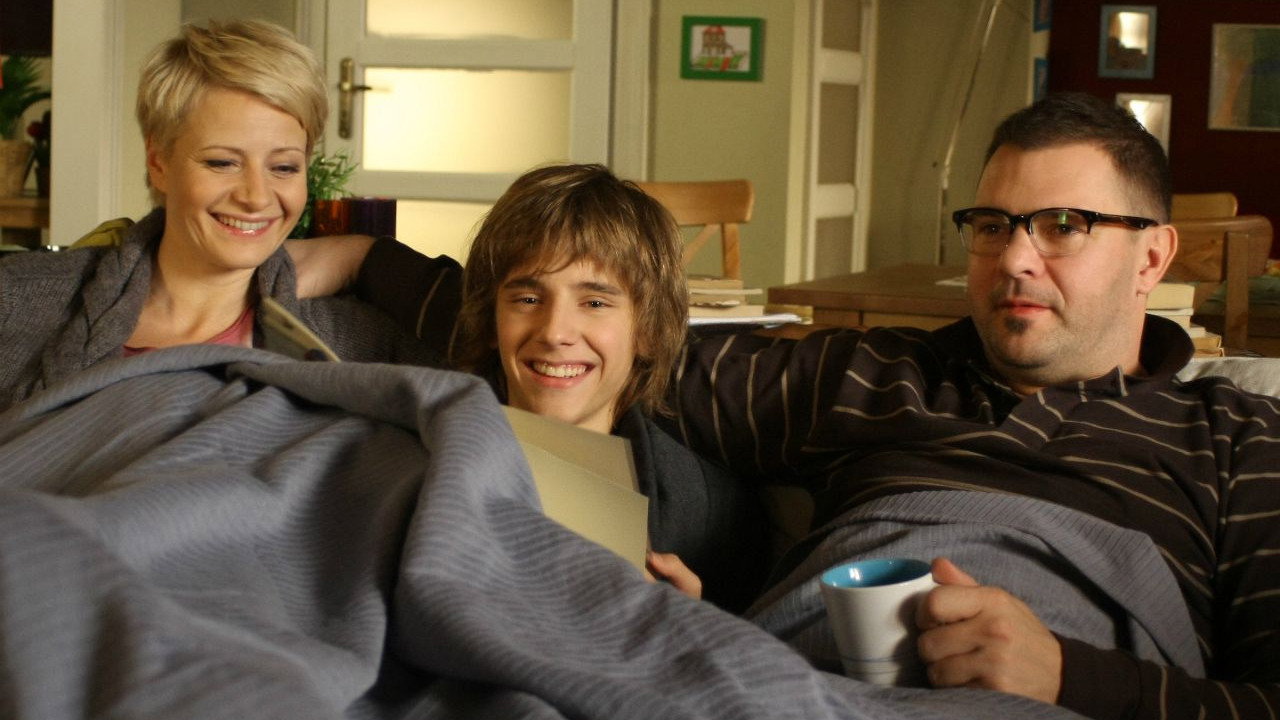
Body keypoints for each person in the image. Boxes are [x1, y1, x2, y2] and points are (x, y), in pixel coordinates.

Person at [661, 93, 1280, 718]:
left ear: (1150, 259)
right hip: (768, 693)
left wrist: (1068, 676)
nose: (1013, 259)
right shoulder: (877, 372)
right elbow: (638, 363)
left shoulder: (1238, 442)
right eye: (992, 226)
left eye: (1063, 226)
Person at [0, 19, 456, 412]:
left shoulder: (358, 345)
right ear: (159, 162)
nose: (256, 197)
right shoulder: (19, 300)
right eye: (222, 162)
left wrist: (362, 254)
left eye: (284, 167)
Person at [447, 163, 768, 612]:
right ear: (490, 322)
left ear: (648, 331)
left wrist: (685, 626)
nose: (555, 332)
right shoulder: (426, 448)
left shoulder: (713, 518)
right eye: (528, 299)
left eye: (595, 302)